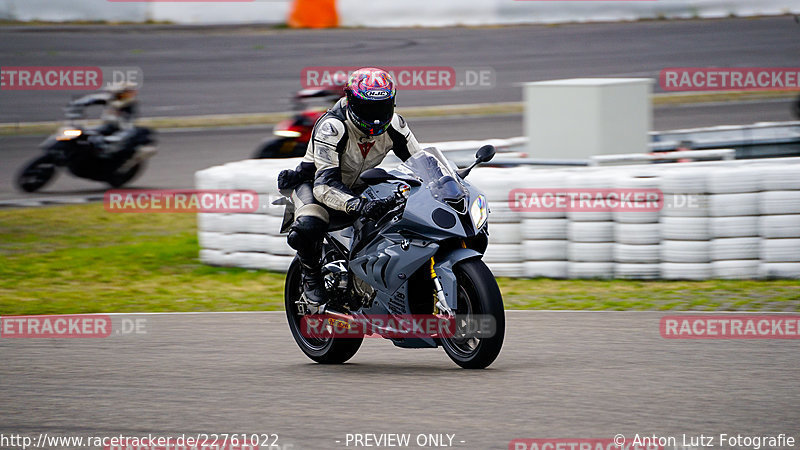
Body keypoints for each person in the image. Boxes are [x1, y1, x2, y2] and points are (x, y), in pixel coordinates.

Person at [278, 67, 423, 306]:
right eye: (368, 108)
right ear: (351, 102)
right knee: (309, 225)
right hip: (315, 185)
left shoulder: (396, 124)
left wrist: (446, 181)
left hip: (360, 185)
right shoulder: (333, 126)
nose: (376, 116)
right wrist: (359, 205)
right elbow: (324, 185)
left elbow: (420, 161)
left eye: (382, 107)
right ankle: (311, 277)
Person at [71, 83, 142, 162]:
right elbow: (90, 99)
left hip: (122, 129)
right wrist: (77, 105)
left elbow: (125, 121)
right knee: (85, 133)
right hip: (108, 126)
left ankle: (104, 156)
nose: (130, 95)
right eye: (126, 93)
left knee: (111, 142)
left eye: (130, 93)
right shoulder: (110, 99)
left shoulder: (129, 103)